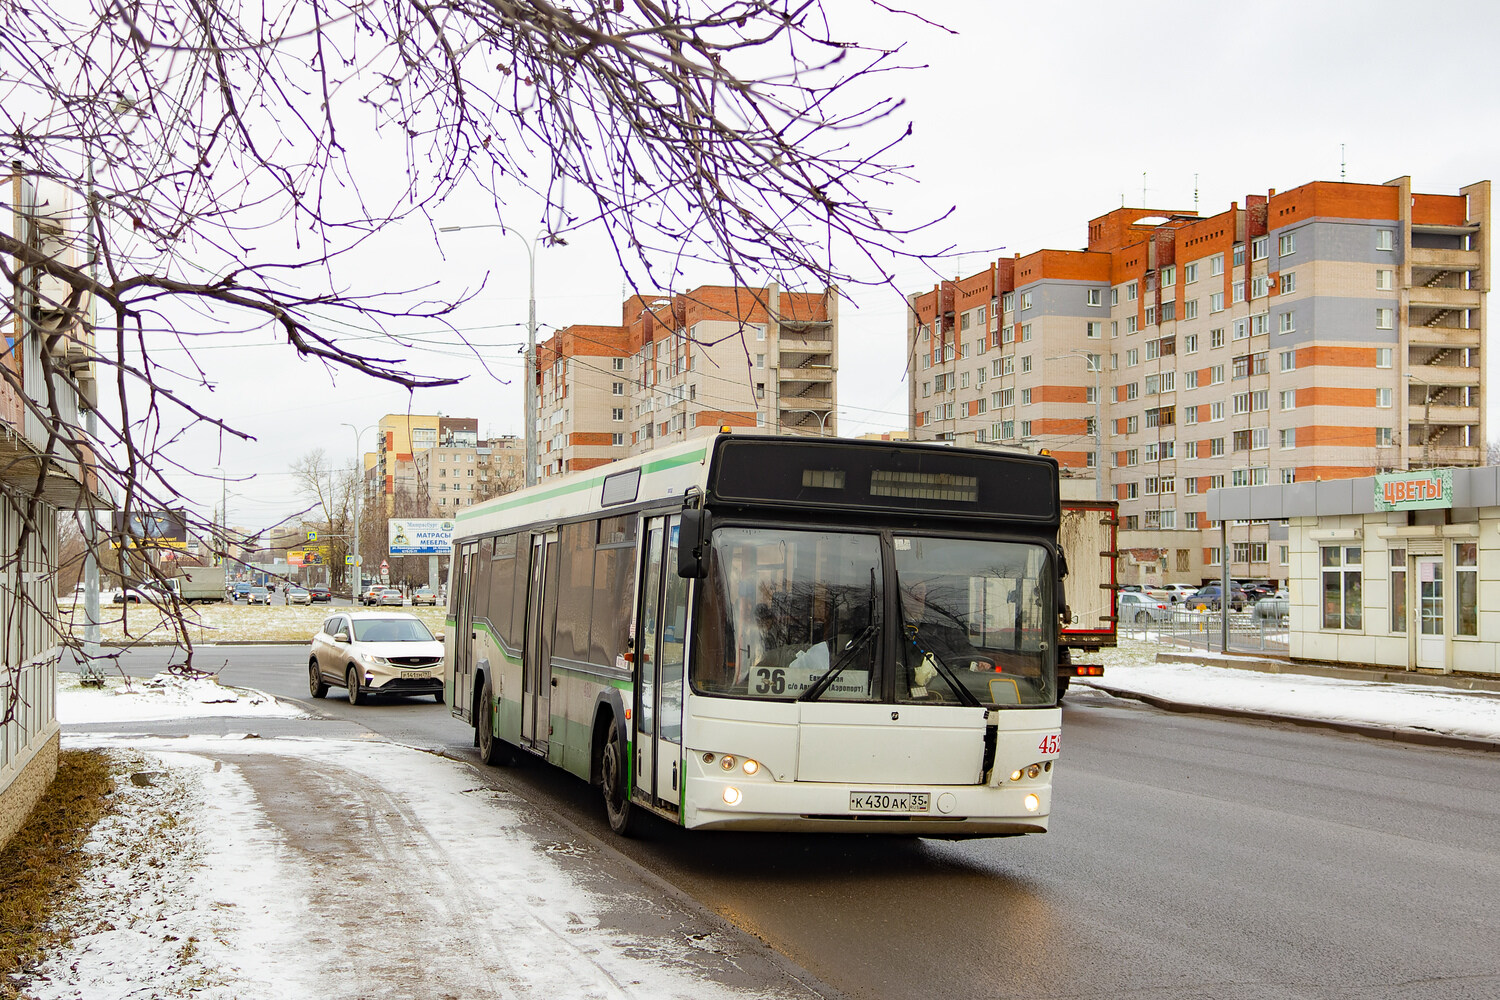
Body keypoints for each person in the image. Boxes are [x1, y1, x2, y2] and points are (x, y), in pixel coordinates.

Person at [900, 580, 987, 698]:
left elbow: (963, 647)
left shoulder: (942, 622)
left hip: (948, 684)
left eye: (920, 591)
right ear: (902, 596)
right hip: (907, 688)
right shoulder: (894, 626)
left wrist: (979, 660)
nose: (916, 596)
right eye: (911, 592)